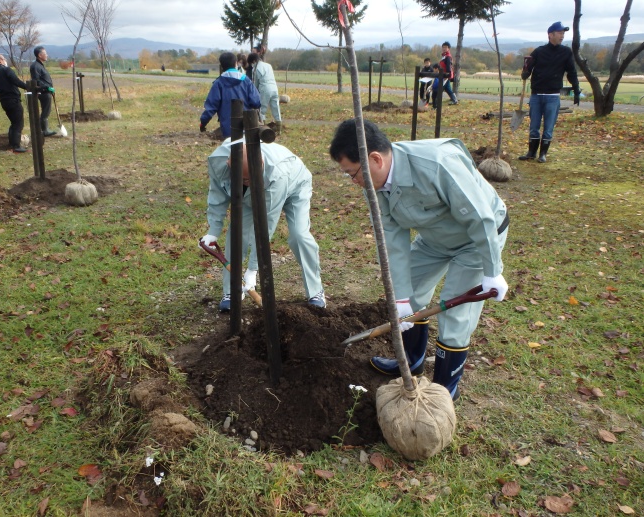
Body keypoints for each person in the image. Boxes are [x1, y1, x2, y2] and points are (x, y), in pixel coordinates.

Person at [329, 119, 509, 401]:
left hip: (476, 240)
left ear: (374, 159)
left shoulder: (437, 163)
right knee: (409, 293)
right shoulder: (374, 184)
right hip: (435, 239)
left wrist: (492, 269)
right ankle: (411, 361)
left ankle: (444, 388)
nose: (353, 181)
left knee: (454, 313)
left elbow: (479, 216)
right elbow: (392, 237)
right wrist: (401, 298)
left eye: (352, 173)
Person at [200, 139, 326, 312]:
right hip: (248, 190)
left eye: (252, 178)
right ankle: (231, 292)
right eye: (246, 179)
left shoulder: (276, 174)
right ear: (230, 168)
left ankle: (316, 292)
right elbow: (217, 196)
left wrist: (252, 270)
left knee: (299, 236)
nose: (250, 182)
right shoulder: (218, 162)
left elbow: (265, 226)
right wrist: (213, 231)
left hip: (294, 184)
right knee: (236, 233)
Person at [519, 21, 580, 163]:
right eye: (560, 33)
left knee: (548, 127)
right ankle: (531, 152)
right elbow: (527, 72)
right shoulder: (539, 52)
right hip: (536, 95)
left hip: (553, 96)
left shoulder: (566, 53)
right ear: (550, 35)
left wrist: (576, 90)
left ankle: (543, 154)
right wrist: (525, 71)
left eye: (563, 34)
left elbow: (572, 72)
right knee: (534, 126)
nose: (562, 36)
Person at [200, 52, 261, 139]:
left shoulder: (218, 83)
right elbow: (256, 102)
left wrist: (203, 122)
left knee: (231, 151)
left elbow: (211, 106)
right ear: (236, 63)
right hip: (246, 126)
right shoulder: (246, 81)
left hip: (227, 130)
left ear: (221, 66)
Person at [0, 54, 28, 153]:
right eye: (4, 58)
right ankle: (16, 146)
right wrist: (29, 87)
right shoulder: (7, 70)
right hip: (13, 99)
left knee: (13, 123)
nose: (5, 60)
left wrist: (2, 88)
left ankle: (11, 143)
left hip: (4, 101)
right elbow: (16, 81)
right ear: (0, 60)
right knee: (18, 124)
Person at [247, 52, 282, 134]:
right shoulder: (268, 65)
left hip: (265, 88)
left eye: (251, 62)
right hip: (274, 87)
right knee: (276, 107)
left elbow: (256, 83)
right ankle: (279, 128)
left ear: (254, 61)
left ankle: (263, 129)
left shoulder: (256, 69)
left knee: (262, 109)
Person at [29, 46, 56, 137]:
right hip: (43, 92)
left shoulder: (40, 65)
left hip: (47, 91)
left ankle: (45, 129)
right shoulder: (35, 66)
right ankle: (44, 130)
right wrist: (47, 87)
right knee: (45, 111)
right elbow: (37, 81)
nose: (47, 55)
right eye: (45, 53)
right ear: (40, 55)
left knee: (47, 111)